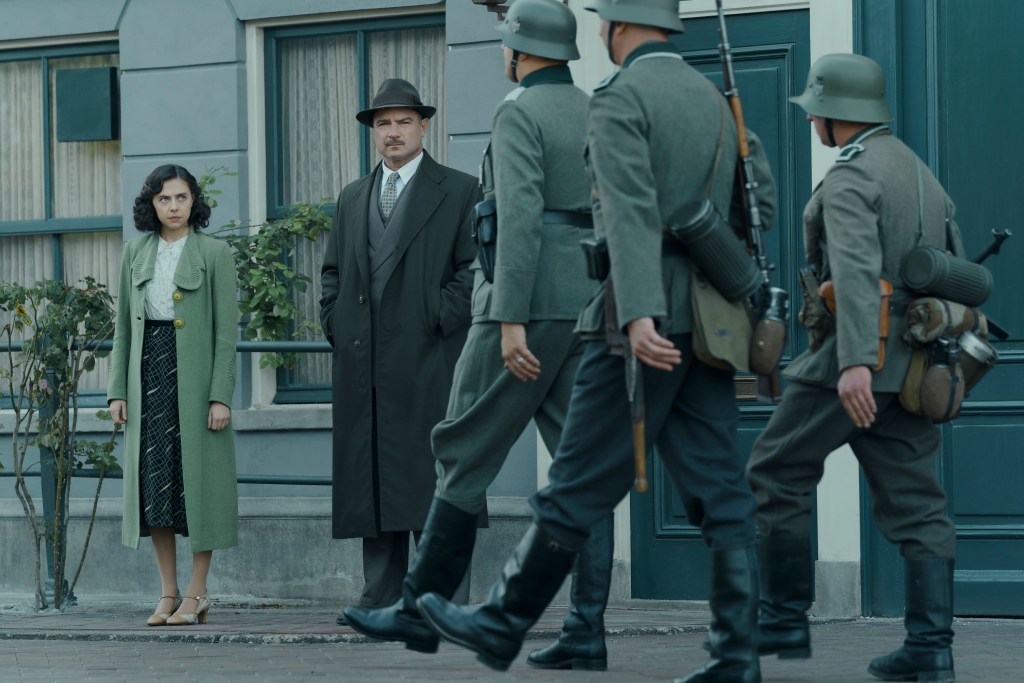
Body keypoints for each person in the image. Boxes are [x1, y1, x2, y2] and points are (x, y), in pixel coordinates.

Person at [413, 1, 775, 681]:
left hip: (633, 318)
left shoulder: (619, 97)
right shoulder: (714, 100)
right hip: (710, 319)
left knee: (575, 477)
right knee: (722, 488)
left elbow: (630, 212)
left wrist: (638, 310)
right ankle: (736, 653)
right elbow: (761, 205)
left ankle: (499, 623)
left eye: (605, 21)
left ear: (618, 29)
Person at [342, 0, 614, 671]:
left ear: (521, 50)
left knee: (460, 446)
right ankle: (586, 626)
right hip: (586, 302)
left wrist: (511, 317)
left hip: (518, 307)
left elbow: (518, 218)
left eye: (505, 41)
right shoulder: (595, 111)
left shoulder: (519, 112)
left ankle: (417, 608)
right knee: (580, 469)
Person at [745, 53, 958, 683]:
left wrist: (857, 362)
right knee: (919, 506)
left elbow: (858, 273)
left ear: (835, 115)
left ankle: (782, 616)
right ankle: (931, 649)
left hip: (850, 360)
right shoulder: (922, 175)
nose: (811, 120)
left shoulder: (849, 178)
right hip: (915, 367)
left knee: (774, 468)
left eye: (815, 110)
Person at [319, 79, 480, 623]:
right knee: (374, 474)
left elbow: (474, 271)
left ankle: (442, 594)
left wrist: (438, 316)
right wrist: (336, 323)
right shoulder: (352, 196)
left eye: (403, 122)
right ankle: (380, 594)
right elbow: (333, 273)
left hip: (430, 356)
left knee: (434, 470)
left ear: (423, 126)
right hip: (363, 360)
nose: (393, 132)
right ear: (373, 132)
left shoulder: (460, 190)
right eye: (383, 124)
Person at [107, 164, 239, 627]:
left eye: (182, 198)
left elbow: (227, 333)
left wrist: (220, 395)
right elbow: (123, 328)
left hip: (197, 379)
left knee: (197, 486)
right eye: (164, 199)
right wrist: (116, 392)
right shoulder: (133, 252)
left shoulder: (214, 252)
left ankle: (198, 592)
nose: (174, 207)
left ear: (193, 202)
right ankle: (168, 593)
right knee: (155, 486)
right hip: (148, 379)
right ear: (151, 205)